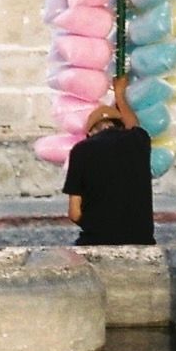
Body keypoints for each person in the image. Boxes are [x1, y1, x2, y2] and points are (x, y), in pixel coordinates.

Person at [62, 74, 155, 246]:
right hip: (142, 241)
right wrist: (120, 93)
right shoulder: (139, 140)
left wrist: (97, 224)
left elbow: (74, 213)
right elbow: (133, 125)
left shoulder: (81, 150)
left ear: (89, 132)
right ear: (119, 126)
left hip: (96, 240)